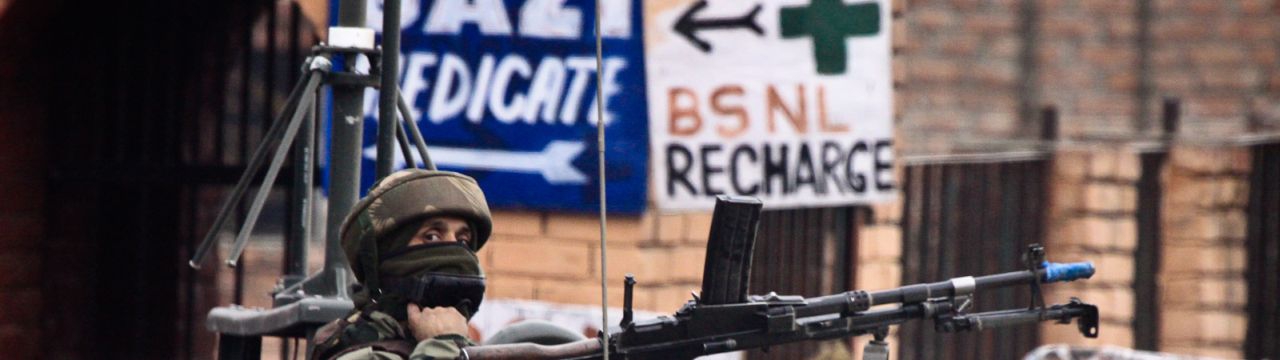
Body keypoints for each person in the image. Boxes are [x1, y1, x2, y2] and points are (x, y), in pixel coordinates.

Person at [311, 169, 493, 360]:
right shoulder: (360, 353)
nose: (454, 250)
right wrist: (443, 346)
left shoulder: (468, 348)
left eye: (463, 241)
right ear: (388, 254)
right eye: (431, 236)